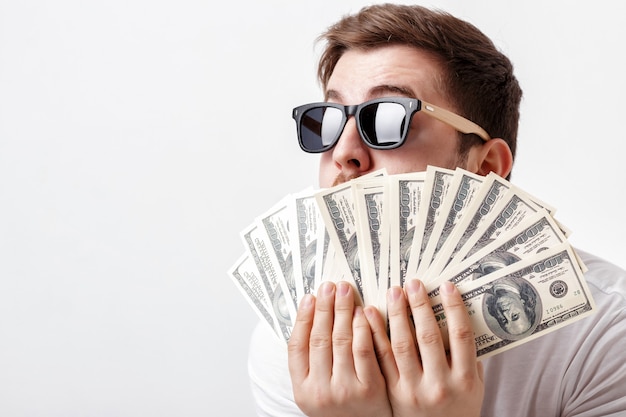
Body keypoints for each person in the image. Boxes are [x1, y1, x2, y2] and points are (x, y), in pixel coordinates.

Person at [248, 4, 626, 416]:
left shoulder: (608, 333)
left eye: (388, 118)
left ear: (485, 169)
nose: (343, 153)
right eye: (330, 119)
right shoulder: (298, 340)